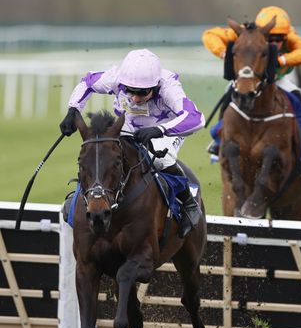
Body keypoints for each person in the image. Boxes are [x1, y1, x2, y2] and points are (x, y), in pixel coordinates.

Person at [58, 49, 204, 237]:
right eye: (130, 91)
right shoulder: (116, 77)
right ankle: (81, 195)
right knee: (101, 152)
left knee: (160, 158)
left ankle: (189, 204)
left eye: (142, 93)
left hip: (165, 128)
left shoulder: (169, 87)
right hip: (128, 125)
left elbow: (196, 119)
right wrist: (73, 110)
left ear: (155, 85)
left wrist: (160, 130)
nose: (135, 98)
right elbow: (87, 82)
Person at [201, 6, 301, 165]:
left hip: (277, 79)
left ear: (286, 35)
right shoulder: (247, 33)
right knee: (229, 94)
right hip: (252, 79)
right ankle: (219, 140)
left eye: (279, 38)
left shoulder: (291, 37)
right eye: (270, 38)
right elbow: (209, 35)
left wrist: (280, 60)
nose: (274, 42)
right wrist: (224, 54)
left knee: (298, 98)